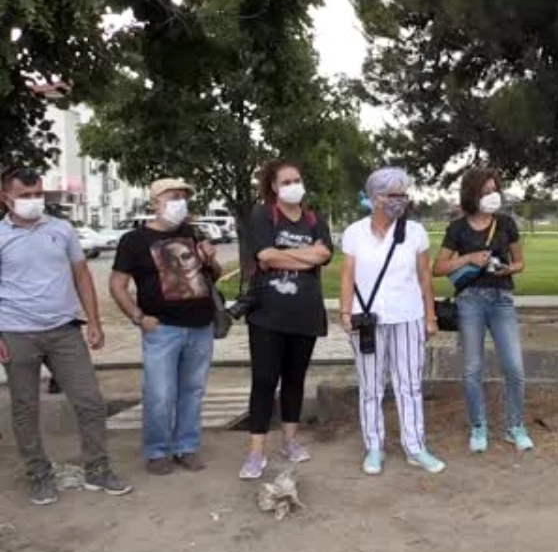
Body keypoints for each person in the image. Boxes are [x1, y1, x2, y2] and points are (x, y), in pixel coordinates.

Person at [0, 167, 131, 504]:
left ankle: (98, 469)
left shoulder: (62, 229)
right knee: (26, 407)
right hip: (16, 332)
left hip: (64, 331)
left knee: (90, 401)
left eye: (37, 194)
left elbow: (82, 275)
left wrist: (95, 321)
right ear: (6, 198)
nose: (33, 201)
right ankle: (39, 475)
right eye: (24, 195)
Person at [110, 178, 222, 474]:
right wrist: (138, 317)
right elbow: (117, 285)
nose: (180, 202)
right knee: (160, 393)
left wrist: (211, 260)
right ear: (155, 202)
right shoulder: (134, 241)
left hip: (200, 325)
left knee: (193, 390)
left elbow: (214, 276)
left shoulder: (193, 233)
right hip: (162, 329)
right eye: (173, 197)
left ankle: (186, 447)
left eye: (184, 197)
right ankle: (157, 451)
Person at [339, 167, 444, 475]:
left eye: (403, 194)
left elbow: (425, 276)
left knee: (409, 385)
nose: (400, 201)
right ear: (374, 198)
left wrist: (430, 315)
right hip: (366, 320)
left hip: (408, 317)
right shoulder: (354, 232)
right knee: (371, 386)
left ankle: (415, 446)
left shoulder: (415, 233)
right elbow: (348, 275)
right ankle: (374, 446)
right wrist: (345, 312)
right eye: (392, 195)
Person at [240, 160, 333, 480]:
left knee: (295, 380)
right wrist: (305, 255)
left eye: (298, 179)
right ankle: (255, 453)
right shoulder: (264, 215)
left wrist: (284, 254)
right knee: (264, 381)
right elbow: (264, 255)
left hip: (304, 314)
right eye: (287, 181)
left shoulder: (314, 218)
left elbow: (325, 254)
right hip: (268, 315)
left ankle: (290, 442)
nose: (294, 184)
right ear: (274, 187)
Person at [433, 166, 532, 454]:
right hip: (470, 301)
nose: (493, 196)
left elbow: (520, 263)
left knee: (514, 367)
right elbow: (438, 268)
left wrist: (505, 269)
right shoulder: (458, 228)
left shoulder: (506, 224)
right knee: (472, 368)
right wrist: (469, 258)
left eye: (495, 190)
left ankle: (516, 426)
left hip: (501, 298)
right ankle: (478, 427)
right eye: (486, 191)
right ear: (472, 194)